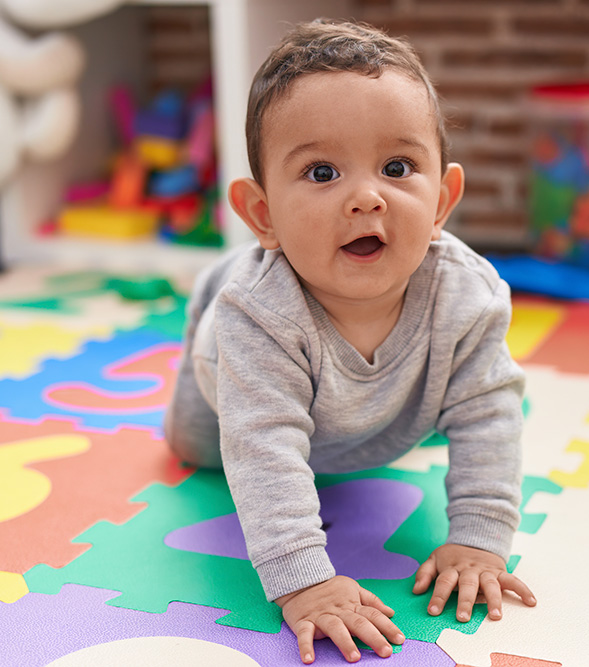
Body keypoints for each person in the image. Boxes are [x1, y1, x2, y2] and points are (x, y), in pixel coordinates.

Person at [163, 19, 534, 664]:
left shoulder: (468, 297)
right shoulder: (257, 316)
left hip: (375, 413)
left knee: (448, 410)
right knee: (200, 452)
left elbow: (488, 417)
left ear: (443, 199)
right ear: (263, 215)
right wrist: (305, 582)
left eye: (397, 167)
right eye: (322, 171)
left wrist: (479, 538)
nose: (366, 197)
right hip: (230, 379)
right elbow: (263, 449)